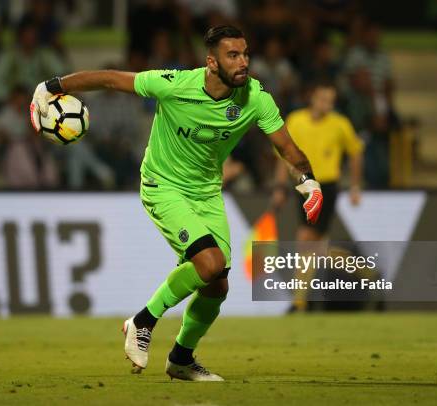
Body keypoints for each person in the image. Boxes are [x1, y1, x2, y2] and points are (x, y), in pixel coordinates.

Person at [30, 26, 323, 381]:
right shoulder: (173, 84)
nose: (243, 62)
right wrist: (53, 86)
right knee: (210, 262)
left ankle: (181, 359)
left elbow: (287, 148)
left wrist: (308, 181)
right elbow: (109, 79)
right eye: (233, 55)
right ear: (212, 63)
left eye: (245, 53)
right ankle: (143, 321)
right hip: (163, 187)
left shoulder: (256, 98)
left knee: (218, 286)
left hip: (207, 193)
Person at [272, 80, 363, 313]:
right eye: (324, 99)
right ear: (313, 97)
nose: (327, 105)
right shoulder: (296, 120)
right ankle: (366, 272)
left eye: (331, 101)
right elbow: (284, 154)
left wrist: (354, 186)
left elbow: (355, 152)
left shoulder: (340, 124)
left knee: (305, 239)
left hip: (326, 187)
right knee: (318, 247)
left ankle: (299, 302)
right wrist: (280, 186)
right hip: (303, 186)